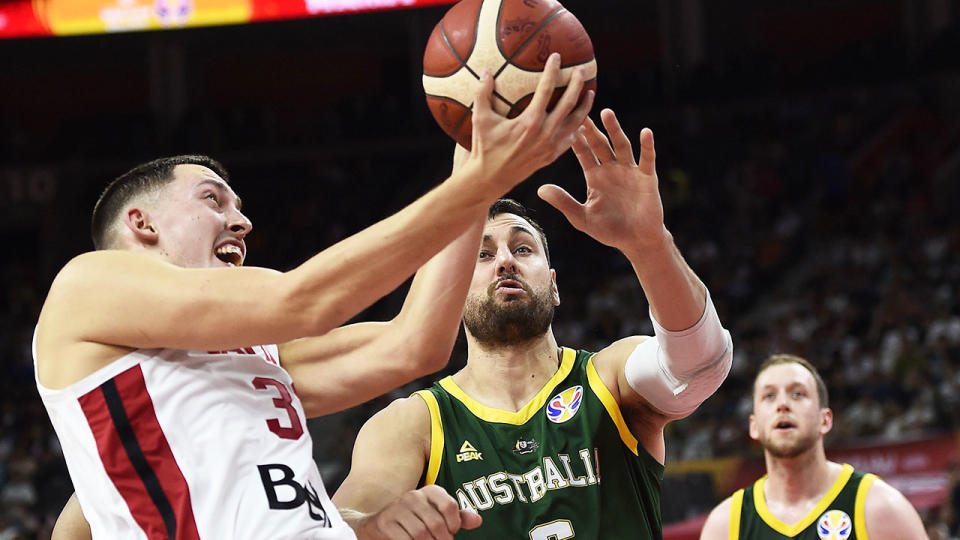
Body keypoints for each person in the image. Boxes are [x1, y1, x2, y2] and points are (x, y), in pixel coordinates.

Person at [37, 54, 593, 540]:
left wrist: (471, 155)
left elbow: (414, 345)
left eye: (238, 206)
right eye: (213, 200)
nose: (242, 221)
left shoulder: (249, 359)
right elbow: (299, 300)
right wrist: (474, 184)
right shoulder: (84, 287)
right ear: (142, 223)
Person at [332, 108, 735, 538]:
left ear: (555, 285)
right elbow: (335, 524)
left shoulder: (608, 379)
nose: (504, 260)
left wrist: (651, 244)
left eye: (523, 249)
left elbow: (700, 366)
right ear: (449, 292)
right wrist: (375, 525)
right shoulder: (413, 424)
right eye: (482, 255)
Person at [699, 354, 927, 539]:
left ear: (825, 420)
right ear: (754, 426)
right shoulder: (726, 525)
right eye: (769, 396)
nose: (783, 404)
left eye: (797, 394)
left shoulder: (881, 508)